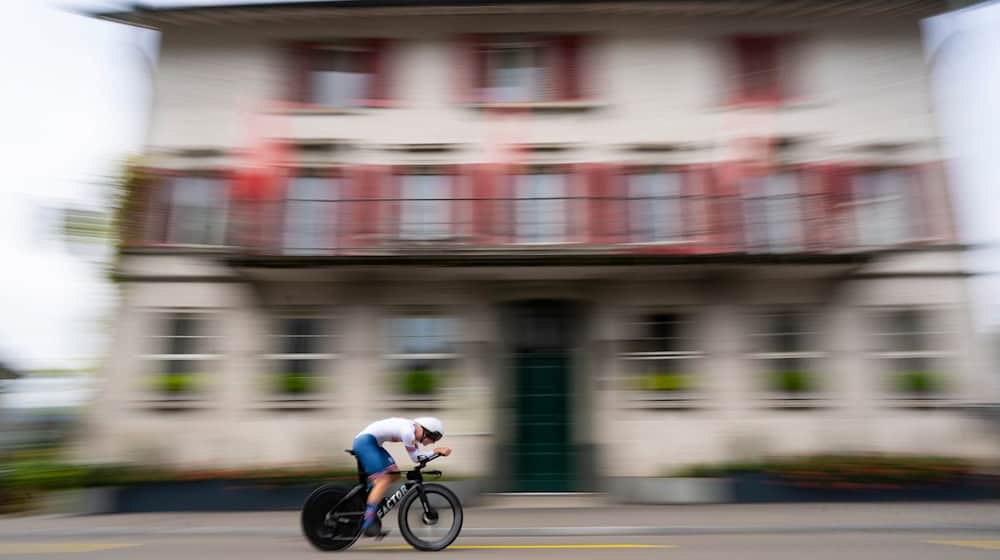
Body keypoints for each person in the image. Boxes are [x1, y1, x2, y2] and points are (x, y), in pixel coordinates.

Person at [353, 416, 452, 537]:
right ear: (425, 430)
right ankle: (368, 522)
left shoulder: (410, 429)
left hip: (372, 443)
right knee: (383, 480)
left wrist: (434, 452)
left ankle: (371, 497)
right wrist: (436, 451)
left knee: (394, 474)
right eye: (433, 437)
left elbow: (418, 456)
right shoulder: (408, 432)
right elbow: (416, 458)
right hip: (366, 443)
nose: (432, 442)